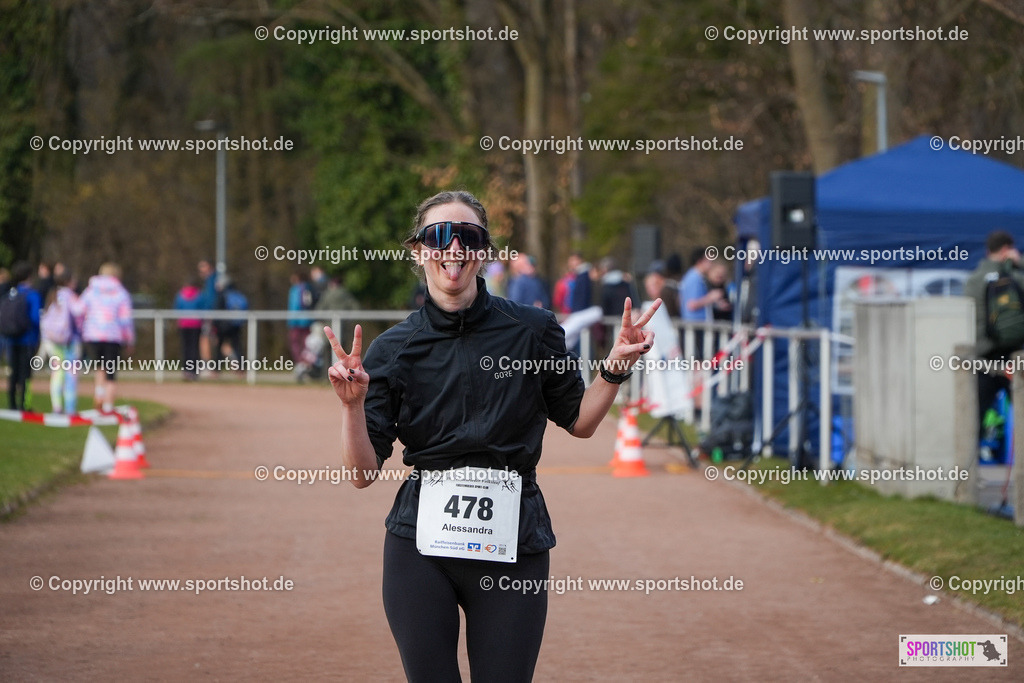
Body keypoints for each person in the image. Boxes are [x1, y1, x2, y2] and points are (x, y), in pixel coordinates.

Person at [324, 190, 661, 682]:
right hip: (419, 547)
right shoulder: (392, 349)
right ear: (419, 251)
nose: (453, 248)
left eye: (469, 236)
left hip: (514, 540)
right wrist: (352, 410)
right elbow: (360, 475)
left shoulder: (533, 330)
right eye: (438, 236)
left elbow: (580, 421)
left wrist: (612, 370)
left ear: (484, 250)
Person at [964, 230, 1024, 451]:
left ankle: (966, 472)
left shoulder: (974, 280)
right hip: (1015, 354)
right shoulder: (1016, 277)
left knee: (974, 415)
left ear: (989, 250)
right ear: (1008, 249)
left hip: (983, 356)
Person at [75, 263, 134, 413]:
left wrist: (82, 327)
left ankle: (99, 395)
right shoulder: (121, 292)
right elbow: (125, 319)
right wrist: (129, 339)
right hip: (113, 336)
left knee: (99, 368)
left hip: (92, 335)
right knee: (111, 372)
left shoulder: (90, 290)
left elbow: (78, 309)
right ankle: (108, 405)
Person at [1, 262, 42, 411]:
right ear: (30, 276)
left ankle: (11, 403)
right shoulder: (32, 295)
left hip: (11, 338)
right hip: (27, 339)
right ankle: (25, 404)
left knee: (13, 372)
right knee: (26, 374)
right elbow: (35, 319)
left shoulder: (11, 294)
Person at [41, 268, 82, 413]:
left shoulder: (52, 295)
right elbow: (79, 313)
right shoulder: (71, 296)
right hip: (69, 341)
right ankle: (70, 408)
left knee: (57, 372)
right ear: (69, 282)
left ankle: (57, 407)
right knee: (71, 375)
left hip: (52, 340)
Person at [679, 248, 723, 358]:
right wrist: (711, 297)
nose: (711, 264)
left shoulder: (692, 276)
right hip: (696, 326)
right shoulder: (695, 278)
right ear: (700, 261)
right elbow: (691, 304)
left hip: (695, 326)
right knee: (698, 361)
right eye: (708, 260)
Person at [174, 276, 203, 381]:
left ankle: (186, 370)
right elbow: (202, 308)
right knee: (194, 349)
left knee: (185, 348)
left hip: (184, 324)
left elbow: (177, 309)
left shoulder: (180, 295)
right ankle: (194, 371)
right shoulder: (199, 295)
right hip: (196, 324)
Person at [287, 270, 314, 372]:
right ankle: (304, 364)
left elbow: (299, 305)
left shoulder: (299, 289)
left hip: (299, 321)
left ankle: (303, 363)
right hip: (303, 320)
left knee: (299, 343)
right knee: (304, 344)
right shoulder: (307, 288)